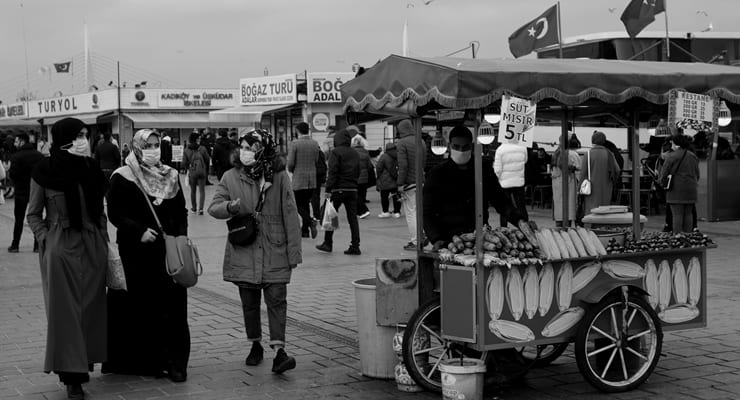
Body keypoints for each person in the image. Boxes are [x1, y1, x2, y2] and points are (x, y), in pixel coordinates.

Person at [26, 118, 109, 399]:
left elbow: (99, 208)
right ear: (63, 139)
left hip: (91, 247)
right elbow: (33, 213)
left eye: (86, 135)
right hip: (61, 247)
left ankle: (82, 363)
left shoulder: (91, 168)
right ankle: (72, 377)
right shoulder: (44, 171)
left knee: (88, 310)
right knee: (66, 315)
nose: (83, 140)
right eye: (78, 136)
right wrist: (46, 238)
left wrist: (102, 236)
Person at [208, 129, 301, 374]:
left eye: (252, 146)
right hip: (245, 247)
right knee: (249, 302)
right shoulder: (231, 176)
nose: (246, 151)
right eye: (244, 146)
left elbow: (290, 213)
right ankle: (255, 344)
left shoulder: (279, 176)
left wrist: (294, 252)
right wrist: (230, 206)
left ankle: (280, 352)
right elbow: (214, 207)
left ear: (264, 148)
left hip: (275, 247)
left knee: (277, 300)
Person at [103, 129, 190, 383]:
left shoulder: (170, 175)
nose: (153, 149)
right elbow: (115, 214)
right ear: (137, 147)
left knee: (173, 307)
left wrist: (181, 237)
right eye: (148, 145)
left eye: (156, 145)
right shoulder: (123, 176)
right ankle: (145, 361)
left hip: (168, 252)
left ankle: (176, 362)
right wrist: (138, 231)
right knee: (142, 306)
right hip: (137, 253)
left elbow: (182, 210)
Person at [424, 125, 522, 248]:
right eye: (456, 147)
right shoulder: (437, 173)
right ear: (449, 146)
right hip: (448, 240)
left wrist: (519, 220)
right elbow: (427, 211)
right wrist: (435, 237)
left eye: (465, 147)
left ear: (471, 146)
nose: (460, 151)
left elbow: (500, 200)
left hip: (480, 238)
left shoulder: (483, 169)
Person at [315, 128, 361, 255]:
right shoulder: (355, 153)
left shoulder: (336, 152)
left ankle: (328, 243)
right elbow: (358, 171)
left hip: (338, 188)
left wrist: (328, 189)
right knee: (353, 218)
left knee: (331, 215)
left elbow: (333, 172)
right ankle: (355, 245)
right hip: (352, 189)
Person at [8, 133, 44, 252]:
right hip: (36, 191)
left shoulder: (16, 156)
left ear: (22, 142)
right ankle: (37, 245)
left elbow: (12, 174)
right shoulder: (39, 156)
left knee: (19, 219)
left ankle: (15, 245)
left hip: (21, 191)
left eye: (16, 141)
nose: (15, 143)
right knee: (36, 217)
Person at [659, 134, 700, 234]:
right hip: (691, 188)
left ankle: (677, 236)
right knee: (688, 214)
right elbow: (697, 174)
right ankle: (688, 235)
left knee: (677, 214)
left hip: (676, 188)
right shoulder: (692, 156)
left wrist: (661, 182)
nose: (671, 145)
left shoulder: (672, 156)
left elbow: (664, 173)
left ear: (676, 144)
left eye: (672, 143)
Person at [396, 119, 426, 250]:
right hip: (421, 181)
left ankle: (416, 240)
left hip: (409, 183)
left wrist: (400, 183)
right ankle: (422, 235)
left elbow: (403, 165)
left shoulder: (402, 143)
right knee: (420, 211)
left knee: (411, 213)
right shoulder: (422, 140)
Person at [287, 122, 320, 238]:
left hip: (299, 177)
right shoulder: (315, 143)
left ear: (297, 131)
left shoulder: (295, 144)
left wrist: (291, 170)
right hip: (311, 178)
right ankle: (305, 230)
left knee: (296, 203)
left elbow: (290, 163)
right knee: (305, 203)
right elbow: (316, 160)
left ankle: (310, 221)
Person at [581, 131, 621, 215]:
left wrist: (579, 188)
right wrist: (612, 182)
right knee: (604, 211)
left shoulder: (588, 154)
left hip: (591, 189)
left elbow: (583, 173)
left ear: (592, 140)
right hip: (606, 187)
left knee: (591, 211)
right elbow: (617, 170)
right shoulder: (609, 154)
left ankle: (590, 227)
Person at [493, 138, 529, 227]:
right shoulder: (523, 147)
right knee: (521, 206)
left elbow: (497, 169)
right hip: (519, 181)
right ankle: (525, 227)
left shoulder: (500, 150)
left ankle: (504, 228)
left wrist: (497, 179)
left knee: (505, 207)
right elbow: (525, 161)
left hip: (504, 183)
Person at [551, 137, 582, 227]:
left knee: (558, 205)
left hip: (556, 182)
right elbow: (579, 166)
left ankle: (559, 223)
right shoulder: (572, 154)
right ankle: (566, 225)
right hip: (568, 181)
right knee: (568, 205)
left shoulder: (555, 153)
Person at [182, 132, 210, 214]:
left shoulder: (186, 150)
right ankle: (201, 209)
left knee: (193, 191)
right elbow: (207, 159)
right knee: (202, 191)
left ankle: (194, 208)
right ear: (197, 139)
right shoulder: (202, 148)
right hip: (202, 171)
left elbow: (183, 163)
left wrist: (189, 168)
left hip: (192, 172)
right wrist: (204, 167)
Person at [351, 132, 374, 219]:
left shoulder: (352, 152)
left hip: (355, 176)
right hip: (364, 176)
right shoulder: (365, 152)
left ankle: (361, 210)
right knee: (362, 193)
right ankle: (360, 210)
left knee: (356, 194)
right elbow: (369, 165)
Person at [376, 142, 401, 218]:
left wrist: (379, 176)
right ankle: (397, 212)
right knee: (396, 196)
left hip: (384, 180)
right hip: (395, 179)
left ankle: (385, 212)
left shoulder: (383, 156)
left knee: (384, 197)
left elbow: (378, 168)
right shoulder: (398, 155)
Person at [311, 145, 327, 223]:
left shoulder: (312, 154)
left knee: (314, 196)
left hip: (313, 176)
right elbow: (324, 165)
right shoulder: (321, 154)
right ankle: (317, 214)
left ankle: (316, 214)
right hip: (320, 176)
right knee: (317, 195)